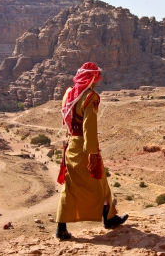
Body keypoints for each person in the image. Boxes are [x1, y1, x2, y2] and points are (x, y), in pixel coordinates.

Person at [55, 62, 128, 240]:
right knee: (99, 182)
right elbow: (89, 127)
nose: (97, 81)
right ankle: (108, 219)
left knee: (70, 187)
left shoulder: (68, 94)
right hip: (84, 147)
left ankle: (62, 228)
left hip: (71, 146)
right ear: (92, 78)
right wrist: (92, 154)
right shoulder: (90, 97)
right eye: (96, 78)